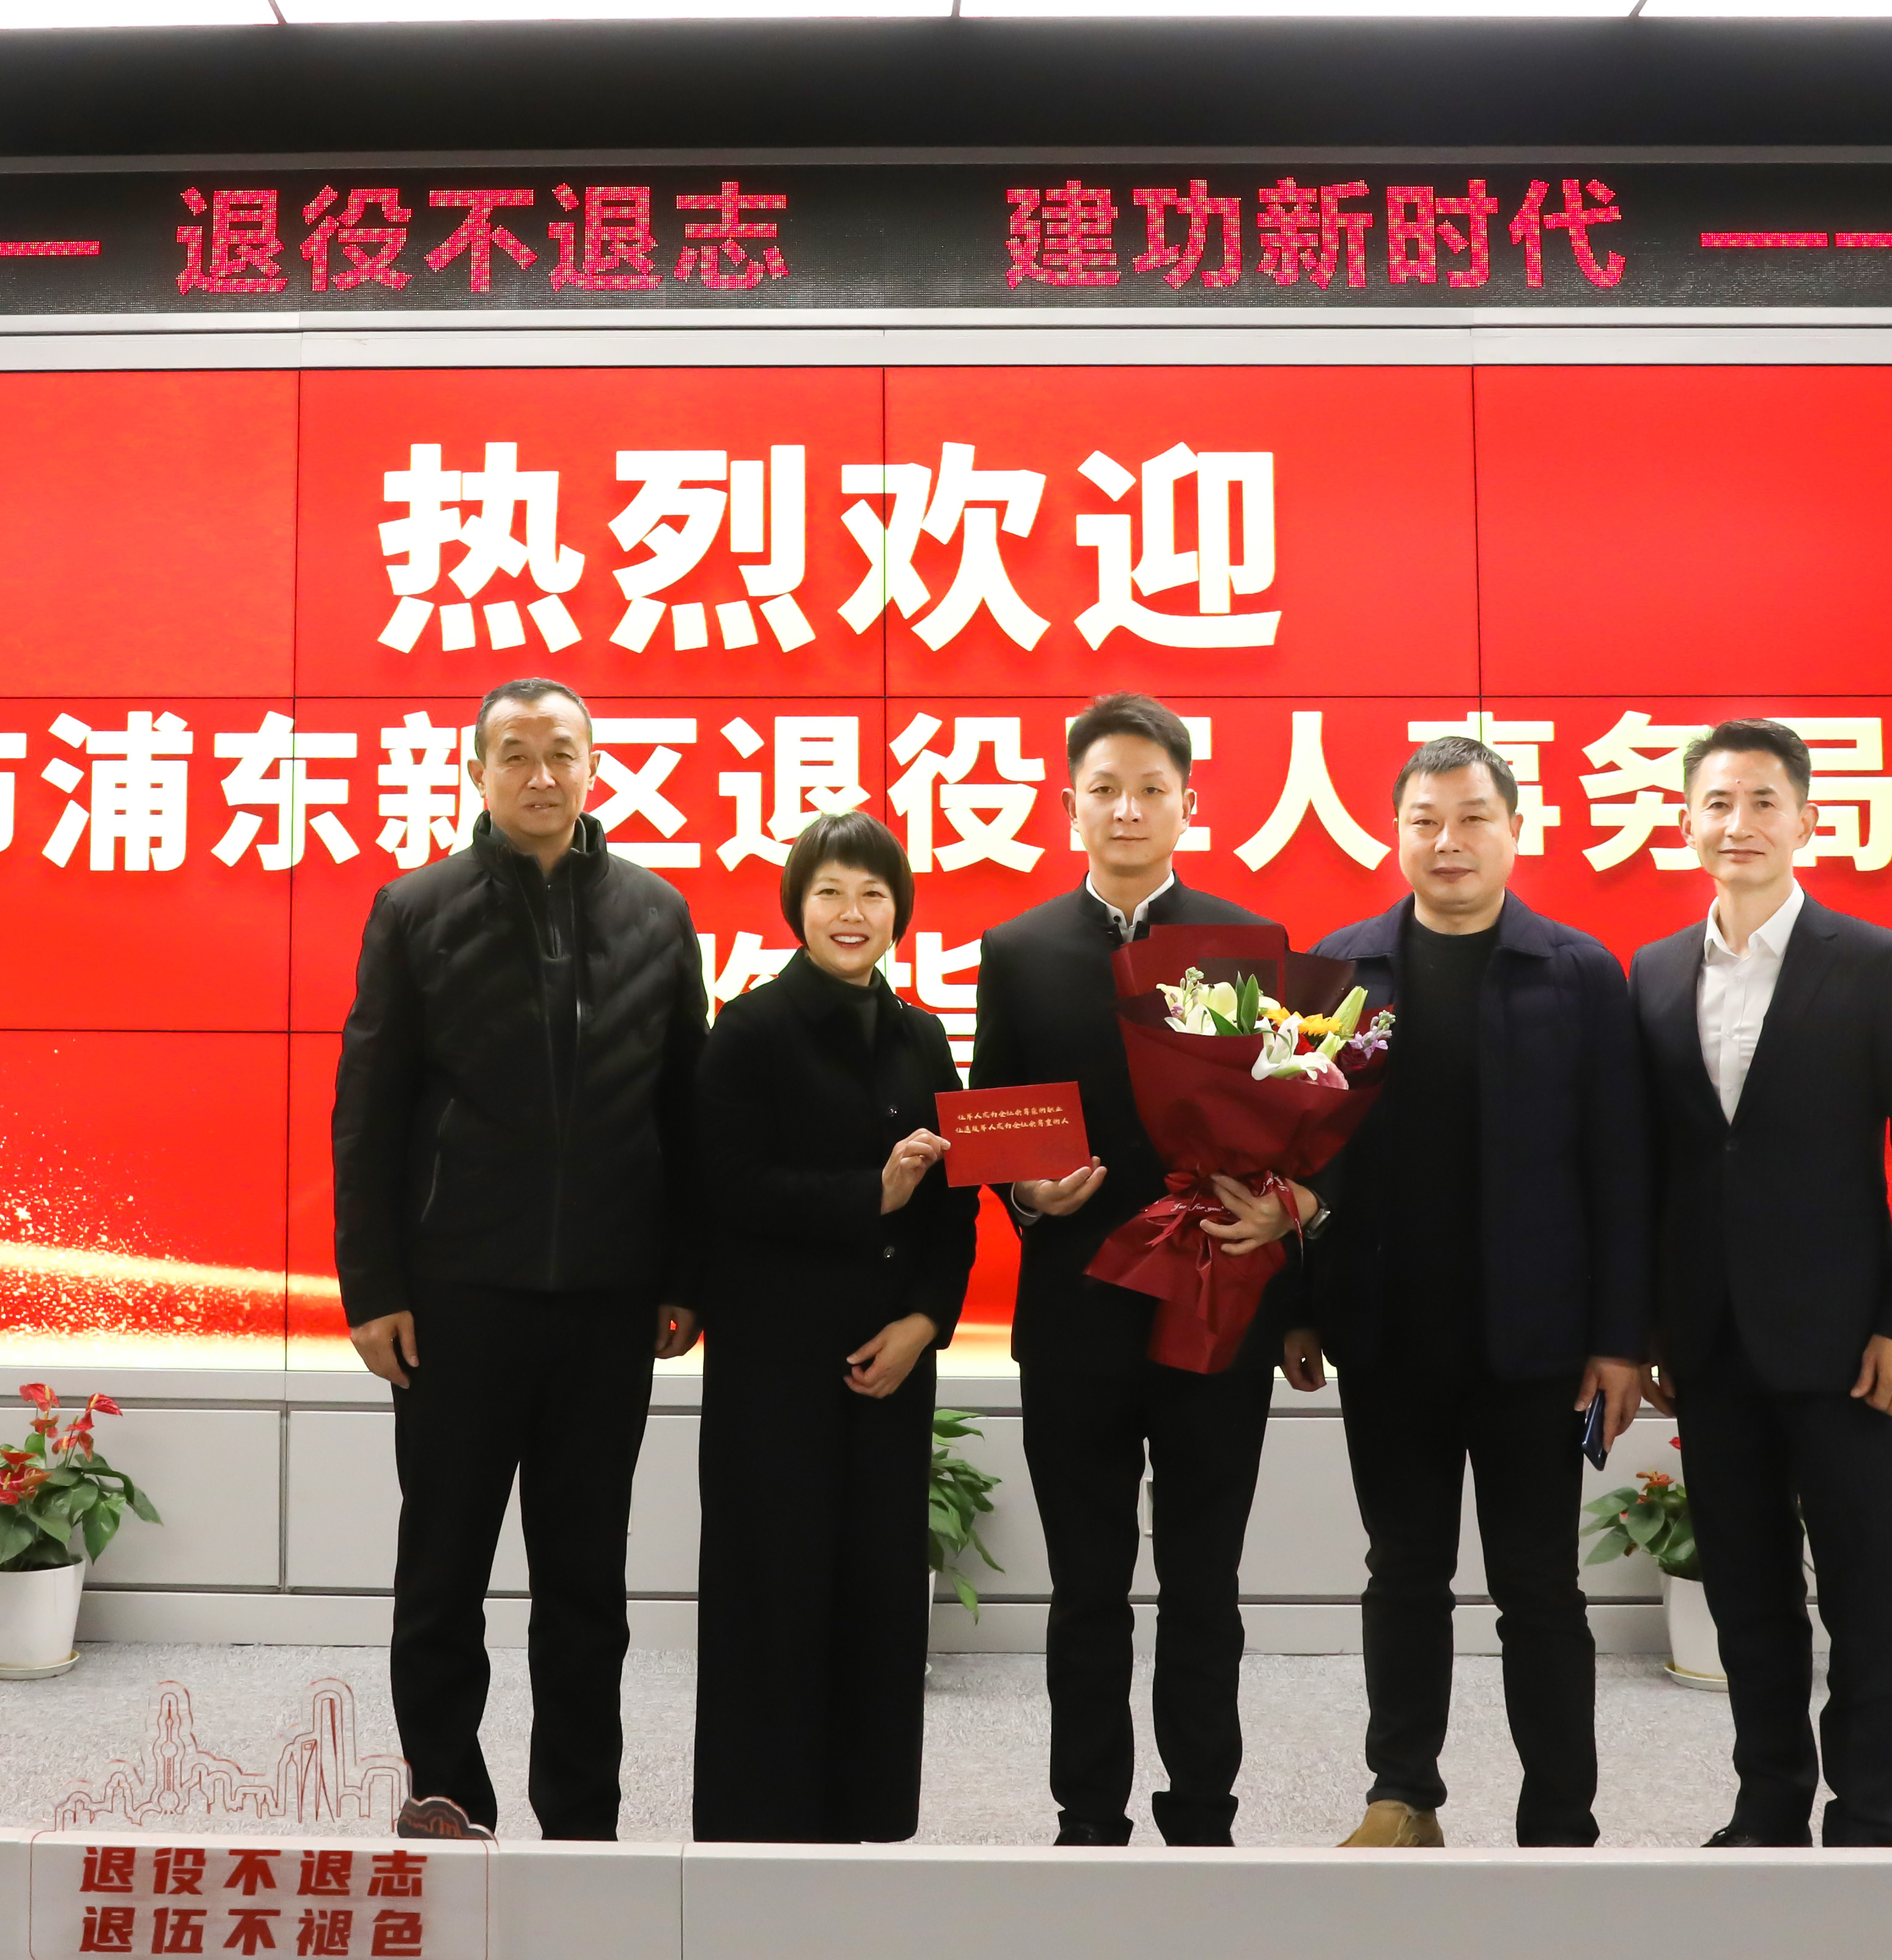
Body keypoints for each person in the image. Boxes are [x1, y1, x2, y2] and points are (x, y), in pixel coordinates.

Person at [333, 677, 709, 1841]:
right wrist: (373, 1288)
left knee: (586, 1578)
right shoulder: (415, 910)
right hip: (456, 1298)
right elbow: (368, 1112)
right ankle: (446, 1787)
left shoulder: (656, 913)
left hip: (607, 1300)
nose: (540, 775)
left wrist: (683, 1273)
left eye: (561, 752)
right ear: (476, 771)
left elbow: (685, 1111)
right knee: (441, 1564)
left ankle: (580, 1810)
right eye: (515, 753)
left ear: (593, 765)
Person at [1295, 734, 1654, 1849]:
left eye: (1470, 818)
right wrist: (1295, 1306)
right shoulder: (1339, 968)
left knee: (1538, 1585)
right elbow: (1300, 1153)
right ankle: (1401, 1793)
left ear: (1513, 829)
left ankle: (1560, 1815)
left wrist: (1620, 1339)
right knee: (1402, 1571)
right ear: (1395, 832)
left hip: (1535, 1344)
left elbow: (1621, 1167)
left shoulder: (1577, 971)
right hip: (1386, 1333)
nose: (1446, 841)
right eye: (1424, 821)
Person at [971, 690, 1305, 1849]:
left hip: (1215, 1310)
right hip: (1075, 1311)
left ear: (1187, 803)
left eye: (1150, 789)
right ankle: (1087, 1814)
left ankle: (1203, 1812)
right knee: (1087, 1586)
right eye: (1104, 789)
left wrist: (1283, 1240)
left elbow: (1289, 1127)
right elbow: (997, 1121)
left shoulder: (1248, 942)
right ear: (1067, 804)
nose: (1126, 808)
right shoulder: (1016, 950)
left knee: (1204, 1583)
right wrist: (1027, 1193)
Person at [1633, 717, 1892, 1849]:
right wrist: (1651, 1325)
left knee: (1864, 1599)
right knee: (1746, 1594)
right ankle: (1768, 1806)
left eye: (1762, 801)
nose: (1737, 823)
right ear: (1687, 821)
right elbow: (1654, 1164)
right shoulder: (1653, 972)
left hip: (1848, 1344)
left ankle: (1868, 1820)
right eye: (1716, 802)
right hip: (1712, 1344)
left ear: (1805, 819)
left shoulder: (1878, 962)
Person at [690, 811, 974, 1843]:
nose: (851, 912)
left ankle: (869, 1821)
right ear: (795, 906)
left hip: (891, 1363)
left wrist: (923, 1321)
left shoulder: (922, 1035)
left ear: (899, 909)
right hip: (776, 1366)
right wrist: (872, 1192)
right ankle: (759, 1831)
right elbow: (725, 1190)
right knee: (773, 1588)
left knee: (877, 1592)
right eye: (829, 892)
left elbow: (958, 1205)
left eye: (871, 893)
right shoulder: (748, 1029)